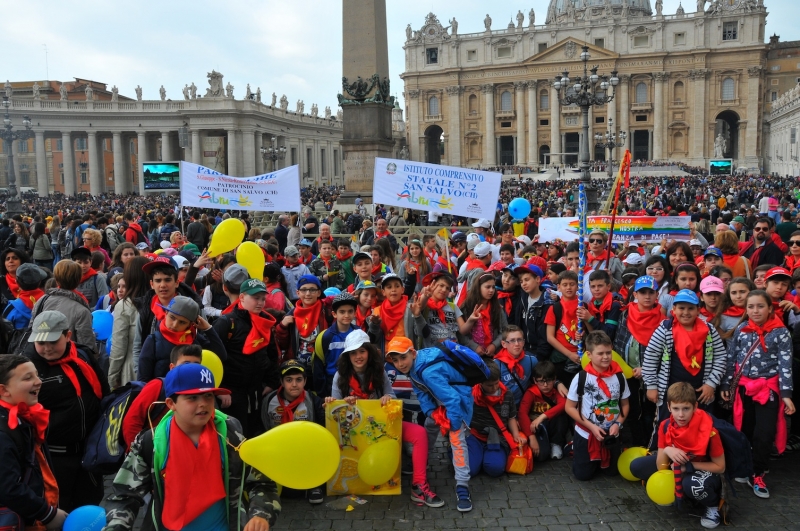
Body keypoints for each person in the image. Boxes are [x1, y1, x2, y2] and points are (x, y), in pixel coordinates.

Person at [104, 363, 280, 531]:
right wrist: (116, 526)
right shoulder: (151, 443)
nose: (203, 403)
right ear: (171, 404)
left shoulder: (231, 437)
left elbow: (262, 483)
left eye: (208, 396)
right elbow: (124, 495)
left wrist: (261, 514)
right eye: (192, 398)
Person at [329, 334, 444, 508]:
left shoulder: (378, 371)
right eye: (353, 353)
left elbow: (391, 395)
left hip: (380, 427)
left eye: (362, 351)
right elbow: (335, 411)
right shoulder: (340, 375)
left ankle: (419, 486)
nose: (358, 356)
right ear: (347, 356)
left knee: (420, 433)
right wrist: (343, 402)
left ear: (369, 352)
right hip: (355, 433)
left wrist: (386, 398)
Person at [24, 310, 109, 511]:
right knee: (58, 510)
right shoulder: (28, 369)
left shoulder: (83, 355)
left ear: (68, 335)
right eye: (41, 342)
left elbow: (104, 393)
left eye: (53, 341)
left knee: (89, 504)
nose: (46, 348)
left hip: (88, 453)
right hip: (53, 457)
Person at [722, 290, 794, 499]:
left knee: (764, 433)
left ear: (770, 308)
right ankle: (744, 466)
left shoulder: (780, 332)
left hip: (768, 390)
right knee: (744, 429)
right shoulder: (742, 330)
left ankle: (758, 473)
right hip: (743, 388)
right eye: (750, 307)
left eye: (760, 306)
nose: (755, 311)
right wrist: (727, 384)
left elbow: (785, 364)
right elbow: (731, 358)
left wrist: (787, 393)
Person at [629, 382, 726, 530]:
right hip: (675, 465)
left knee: (692, 485)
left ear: (695, 406)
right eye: (676, 409)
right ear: (668, 407)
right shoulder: (666, 425)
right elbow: (660, 466)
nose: (681, 415)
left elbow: (720, 467)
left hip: (704, 470)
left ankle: (713, 506)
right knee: (636, 466)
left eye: (686, 408)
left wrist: (688, 466)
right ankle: (675, 491)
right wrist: (668, 450)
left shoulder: (710, 431)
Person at [642, 289, 727, 444]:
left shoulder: (709, 330)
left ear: (698, 310)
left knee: (701, 429)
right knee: (665, 426)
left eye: (690, 308)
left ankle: (696, 460)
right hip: (669, 392)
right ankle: (661, 459)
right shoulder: (665, 329)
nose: (686, 312)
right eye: (681, 308)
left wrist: (711, 384)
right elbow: (650, 357)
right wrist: (651, 385)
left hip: (701, 393)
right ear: (673, 309)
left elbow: (721, 357)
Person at [0, 355, 68, 530]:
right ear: (3, 391)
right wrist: (46, 513)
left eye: (37, 375)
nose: (39, 382)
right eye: (28, 378)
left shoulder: (25, 418)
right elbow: (8, 487)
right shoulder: (4, 431)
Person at [212, 279, 280, 438]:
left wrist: (272, 382)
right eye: (256, 298)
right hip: (232, 394)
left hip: (258, 392)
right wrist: (220, 390)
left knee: (256, 433)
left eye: (263, 298)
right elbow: (212, 357)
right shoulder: (226, 322)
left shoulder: (265, 321)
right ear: (242, 297)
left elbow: (271, 354)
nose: (261, 302)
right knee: (235, 437)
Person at [565, 330, 629, 481]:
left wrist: (618, 424)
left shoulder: (619, 376)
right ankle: (572, 446)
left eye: (608, 352)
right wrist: (592, 427)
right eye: (600, 353)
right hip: (587, 433)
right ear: (589, 354)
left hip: (611, 433)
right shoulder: (581, 378)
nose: (606, 357)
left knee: (612, 473)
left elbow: (625, 404)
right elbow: (569, 407)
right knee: (583, 475)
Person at [261, 359, 326, 504]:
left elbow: (323, 426)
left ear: (305, 381)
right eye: (289, 380)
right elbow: (262, 425)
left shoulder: (313, 400)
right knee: (289, 494)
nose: (294, 384)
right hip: (279, 447)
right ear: (282, 382)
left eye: (299, 380)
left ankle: (314, 485)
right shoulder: (269, 400)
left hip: (305, 448)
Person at [614, 275, 665, 446]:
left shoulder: (663, 321)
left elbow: (665, 352)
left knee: (650, 413)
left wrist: (646, 369)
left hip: (652, 376)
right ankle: (636, 445)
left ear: (657, 294)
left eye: (651, 292)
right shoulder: (626, 314)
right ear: (635, 294)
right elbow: (619, 341)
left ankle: (650, 446)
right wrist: (623, 368)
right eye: (643, 292)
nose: (647, 296)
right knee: (632, 410)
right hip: (628, 373)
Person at [122, 343, 203, 450]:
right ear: (172, 368)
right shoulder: (158, 386)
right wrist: (140, 453)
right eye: (186, 364)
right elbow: (131, 422)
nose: (191, 369)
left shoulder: (202, 392)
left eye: (196, 364)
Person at [138, 296, 226, 381]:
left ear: (190, 324)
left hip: (189, 393)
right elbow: (143, 379)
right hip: (161, 393)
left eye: (182, 322)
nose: (175, 324)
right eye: (172, 317)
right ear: (166, 313)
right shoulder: (153, 340)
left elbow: (220, 355)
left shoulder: (194, 339)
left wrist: (208, 329)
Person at [468, 358, 526, 477]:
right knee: (470, 470)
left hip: (498, 437)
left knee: (495, 469)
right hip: (476, 436)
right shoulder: (472, 394)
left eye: (496, 383)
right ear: (480, 383)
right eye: (490, 386)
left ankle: (485, 458)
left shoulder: (507, 394)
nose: (494, 388)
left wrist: (515, 435)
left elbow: (511, 417)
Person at [30, 260, 96, 349]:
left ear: (56, 280)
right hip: (68, 357)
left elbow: (32, 329)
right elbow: (86, 345)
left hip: (41, 354)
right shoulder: (82, 310)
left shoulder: (42, 300)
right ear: (79, 280)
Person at [519, 360, 569, 461]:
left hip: (552, 425)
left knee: (561, 415)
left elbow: (564, 404)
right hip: (537, 429)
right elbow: (522, 413)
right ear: (535, 380)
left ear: (554, 379)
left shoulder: (556, 391)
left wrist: (542, 417)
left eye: (549, 381)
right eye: (541, 381)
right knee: (541, 456)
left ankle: (556, 444)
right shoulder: (531, 393)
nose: (545, 385)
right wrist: (531, 437)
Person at [312, 292, 359, 397]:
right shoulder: (325, 337)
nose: (346, 315)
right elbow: (318, 367)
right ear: (334, 314)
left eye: (350, 311)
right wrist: (322, 395)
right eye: (342, 312)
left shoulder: (359, 334)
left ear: (355, 313)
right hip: (331, 383)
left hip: (356, 384)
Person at [545, 270, 582, 384]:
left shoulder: (584, 306)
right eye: (565, 285)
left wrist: (584, 334)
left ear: (578, 286)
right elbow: (550, 337)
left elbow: (591, 331)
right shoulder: (554, 309)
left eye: (572, 284)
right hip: (560, 357)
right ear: (559, 287)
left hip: (582, 356)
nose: (569, 288)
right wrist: (569, 354)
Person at [461, 272, 507, 356]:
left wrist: (494, 345)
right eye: (487, 287)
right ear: (478, 288)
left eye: (493, 287)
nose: (491, 290)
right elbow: (460, 333)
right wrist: (474, 347)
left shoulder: (497, 308)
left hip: (494, 354)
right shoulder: (466, 307)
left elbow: (505, 330)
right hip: (471, 354)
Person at [493, 325, 537, 405]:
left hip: (525, 405)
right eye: (512, 340)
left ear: (523, 342)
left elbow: (542, 377)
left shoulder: (531, 360)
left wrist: (557, 383)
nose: (517, 344)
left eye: (519, 340)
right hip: (503, 405)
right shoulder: (497, 364)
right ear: (504, 344)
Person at [577, 269, 622, 341]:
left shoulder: (614, 306)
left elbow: (609, 334)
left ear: (608, 286)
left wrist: (590, 319)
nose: (596, 289)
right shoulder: (591, 304)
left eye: (600, 286)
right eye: (593, 286)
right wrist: (582, 333)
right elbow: (592, 332)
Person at [3, 263, 47, 332]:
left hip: (20, 342)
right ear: (39, 282)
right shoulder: (49, 301)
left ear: (17, 282)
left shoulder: (12, 308)